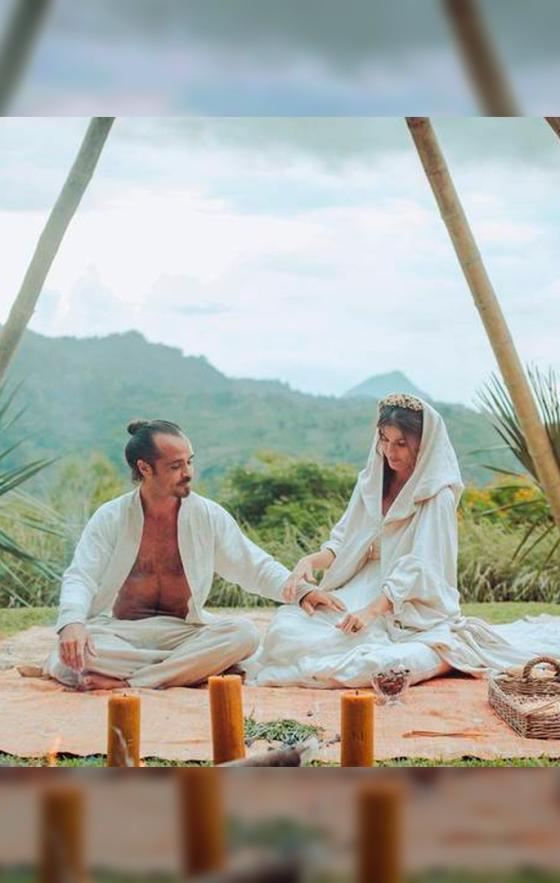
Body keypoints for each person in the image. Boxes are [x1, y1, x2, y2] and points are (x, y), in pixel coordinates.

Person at [243, 393, 560, 688]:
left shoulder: (437, 493)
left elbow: (420, 564)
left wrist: (372, 611)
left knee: (357, 653)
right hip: (362, 582)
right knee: (286, 629)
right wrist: (309, 561)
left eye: (402, 444)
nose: (390, 452)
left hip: (409, 599)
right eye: (384, 440)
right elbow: (343, 541)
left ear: (422, 445)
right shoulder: (372, 481)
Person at [44, 419, 333, 691]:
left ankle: (133, 682)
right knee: (73, 653)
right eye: (175, 466)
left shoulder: (207, 515)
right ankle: (191, 670)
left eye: (190, 461)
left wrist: (303, 592)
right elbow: (81, 576)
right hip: (120, 633)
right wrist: (72, 624)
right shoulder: (111, 517)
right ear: (145, 468)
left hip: (184, 632)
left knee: (244, 634)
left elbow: (254, 566)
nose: (188, 472)